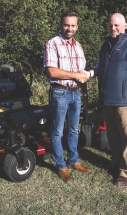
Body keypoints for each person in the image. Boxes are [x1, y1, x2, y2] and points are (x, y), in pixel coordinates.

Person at [86, 13, 127, 186]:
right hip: (107, 99)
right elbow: (100, 66)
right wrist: (89, 73)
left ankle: (126, 172)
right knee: (113, 135)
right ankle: (115, 163)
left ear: (125, 26)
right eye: (111, 25)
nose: (113, 28)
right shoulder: (106, 45)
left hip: (124, 101)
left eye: (117, 25)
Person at [43, 11, 91, 182]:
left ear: (77, 27)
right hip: (59, 92)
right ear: (61, 25)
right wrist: (75, 76)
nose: (69, 28)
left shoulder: (79, 46)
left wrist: (84, 94)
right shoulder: (52, 43)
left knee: (73, 129)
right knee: (56, 132)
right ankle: (61, 166)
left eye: (73, 25)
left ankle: (73, 161)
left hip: (75, 93)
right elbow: (52, 71)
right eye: (66, 24)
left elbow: (82, 74)